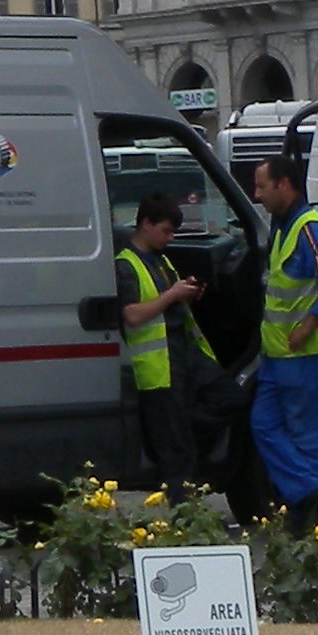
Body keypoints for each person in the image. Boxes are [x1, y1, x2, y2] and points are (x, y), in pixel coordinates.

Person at [247, 138, 318, 530]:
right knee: (263, 424)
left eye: (262, 186)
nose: (256, 195)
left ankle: (317, 517)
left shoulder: (309, 227)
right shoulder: (283, 228)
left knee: (311, 439)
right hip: (279, 357)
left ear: (284, 185)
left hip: (305, 354)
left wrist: (308, 326)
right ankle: (308, 492)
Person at [116, 190, 214, 487]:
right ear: (146, 223)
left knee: (228, 400)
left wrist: (187, 294)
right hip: (157, 371)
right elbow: (132, 315)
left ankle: (194, 479)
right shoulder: (127, 264)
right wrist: (173, 294)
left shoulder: (160, 260)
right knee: (174, 450)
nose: (170, 238)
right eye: (166, 231)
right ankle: (182, 511)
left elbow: (167, 305)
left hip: (181, 357)